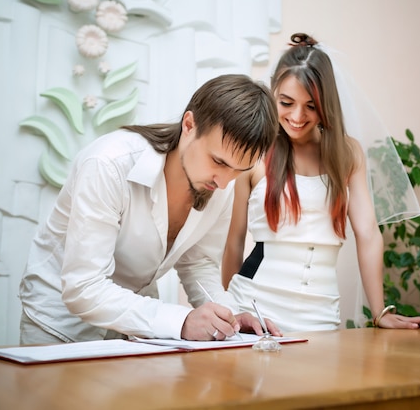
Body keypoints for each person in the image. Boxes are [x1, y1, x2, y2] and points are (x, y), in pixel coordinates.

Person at [19, 74, 281, 344]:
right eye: (218, 161)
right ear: (189, 125)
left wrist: (232, 317)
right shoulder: (108, 164)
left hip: (133, 328)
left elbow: (198, 263)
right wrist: (181, 321)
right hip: (58, 323)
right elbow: (83, 287)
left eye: (240, 170)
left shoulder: (220, 185)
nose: (225, 181)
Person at [222, 34, 420, 333]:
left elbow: (368, 234)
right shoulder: (256, 152)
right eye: (286, 102)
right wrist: (231, 314)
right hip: (254, 309)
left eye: (311, 106)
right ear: (273, 93)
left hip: (321, 313)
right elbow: (234, 241)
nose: (297, 116)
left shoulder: (347, 154)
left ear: (327, 104)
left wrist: (380, 312)